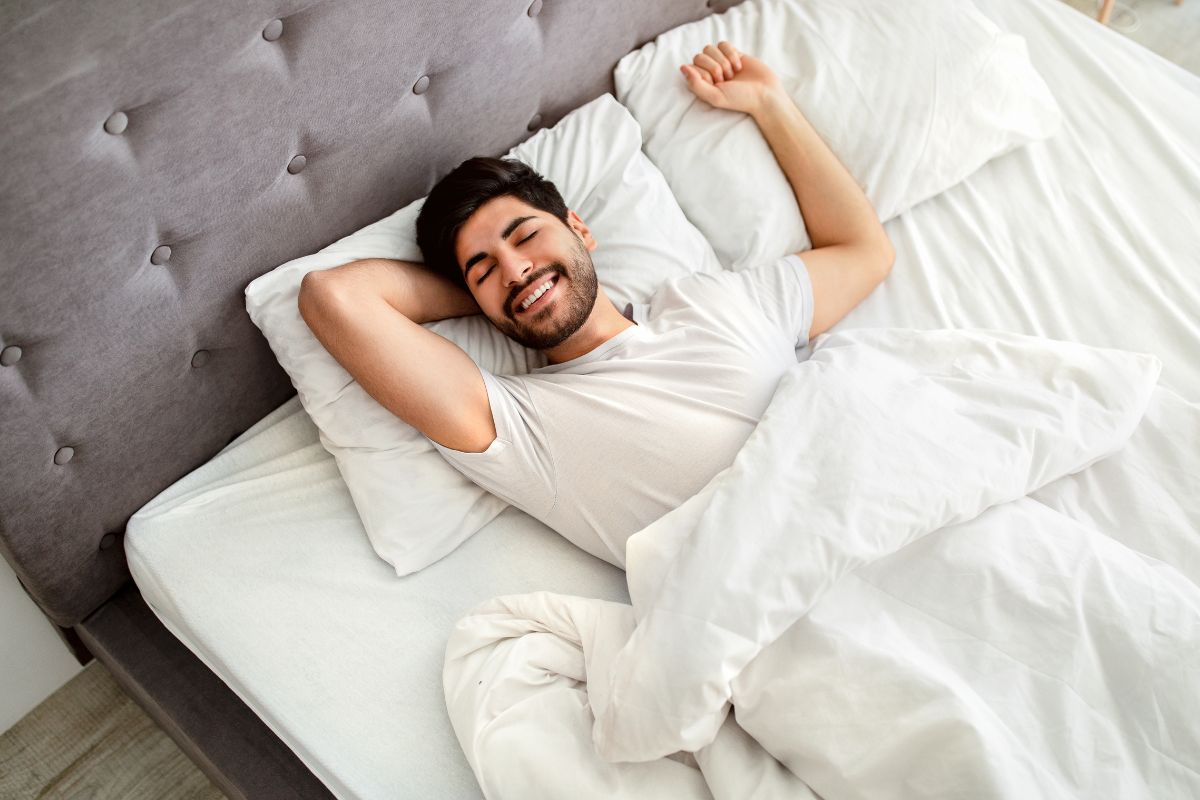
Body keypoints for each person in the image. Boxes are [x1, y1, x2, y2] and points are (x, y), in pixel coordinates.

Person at [298, 42, 894, 566]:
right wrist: (502, 292)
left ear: (580, 229)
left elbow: (864, 252)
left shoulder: (713, 300)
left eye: (525, 237)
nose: (512, 266)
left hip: (881, 504)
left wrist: (770, 104)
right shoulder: (520, 427)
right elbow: (335, 296)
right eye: (481, 269)